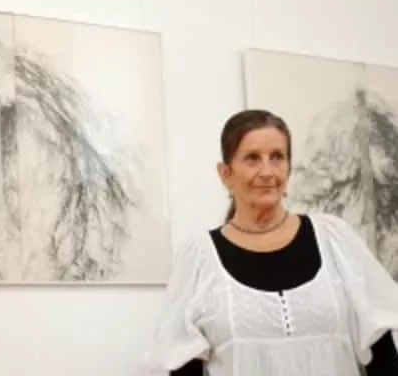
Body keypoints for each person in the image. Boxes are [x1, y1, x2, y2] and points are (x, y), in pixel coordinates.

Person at [144, 109, 398, 375]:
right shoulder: (198, 258)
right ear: (226, 173)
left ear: (288, 168)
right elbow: (184, 367)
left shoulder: (335, 240)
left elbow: (382, 354)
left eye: (277, 157)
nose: (267, 171)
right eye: (252, 158)